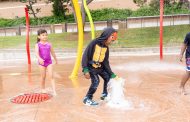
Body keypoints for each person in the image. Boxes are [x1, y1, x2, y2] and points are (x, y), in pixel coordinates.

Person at [82, 27, 118, 106]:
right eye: (112, 39)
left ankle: (104, 94)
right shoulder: (94, 43)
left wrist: (111, 73)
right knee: (96, 81)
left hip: (100, 68)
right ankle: (87, 98)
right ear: (107, 35)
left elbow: (105, 62)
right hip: (91, 68)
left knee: (108, 77)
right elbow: (85, 55)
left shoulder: (106, 47)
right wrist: (85, 69)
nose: (112, 42)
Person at [35, 29, 58, 96]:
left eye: (46, 35)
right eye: (43, 35)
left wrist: (56, 59)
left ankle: (54, 91)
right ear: (39, 37)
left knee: (51, 76)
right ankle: (43, 88)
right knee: (43, 77)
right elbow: (36, 53)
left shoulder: (49, 44)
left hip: (49, 62)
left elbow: (53, 53)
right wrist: (39, 59)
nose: (45, 36)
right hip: (41, 63)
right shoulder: (37, 44)